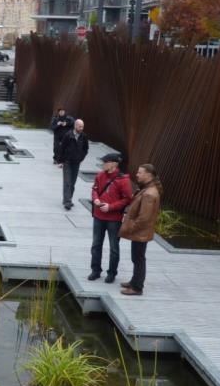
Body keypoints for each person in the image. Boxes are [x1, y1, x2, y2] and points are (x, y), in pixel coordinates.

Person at [88, 153, 133, 283]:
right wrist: (95, 199)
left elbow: (128, 199)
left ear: (114, 164)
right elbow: (95, 189)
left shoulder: (123, 180)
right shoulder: (100, 175)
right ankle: (95, 270)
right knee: (96, 244)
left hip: (114, 219)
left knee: (114, 247)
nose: (103, 164)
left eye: (106, 162)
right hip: (98, 216)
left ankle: (112, 273)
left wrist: (111, 207)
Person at [119, 164, 163, 296]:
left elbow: (144, 218)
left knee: (138, 259)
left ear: (148, 175)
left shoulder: (149, 193)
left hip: (140, 232)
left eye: (140, 172)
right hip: (140, 233)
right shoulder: (147, 189)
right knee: (137, 258)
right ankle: (134, 281)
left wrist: (130, 228)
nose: (137, 174)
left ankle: (137, 288)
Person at [58, 118, 88, 210]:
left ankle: (67, 198)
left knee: (72, 183)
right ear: (75, 126)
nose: (81, 128)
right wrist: (60, 161)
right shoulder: (68, 135)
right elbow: (62, 148)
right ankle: (68, 202)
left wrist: (81, 158)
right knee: (67, 182)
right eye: (80, 126)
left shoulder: (84, 136)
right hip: (67, 162)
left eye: (82, 126)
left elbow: (85, 149)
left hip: (76, 163)